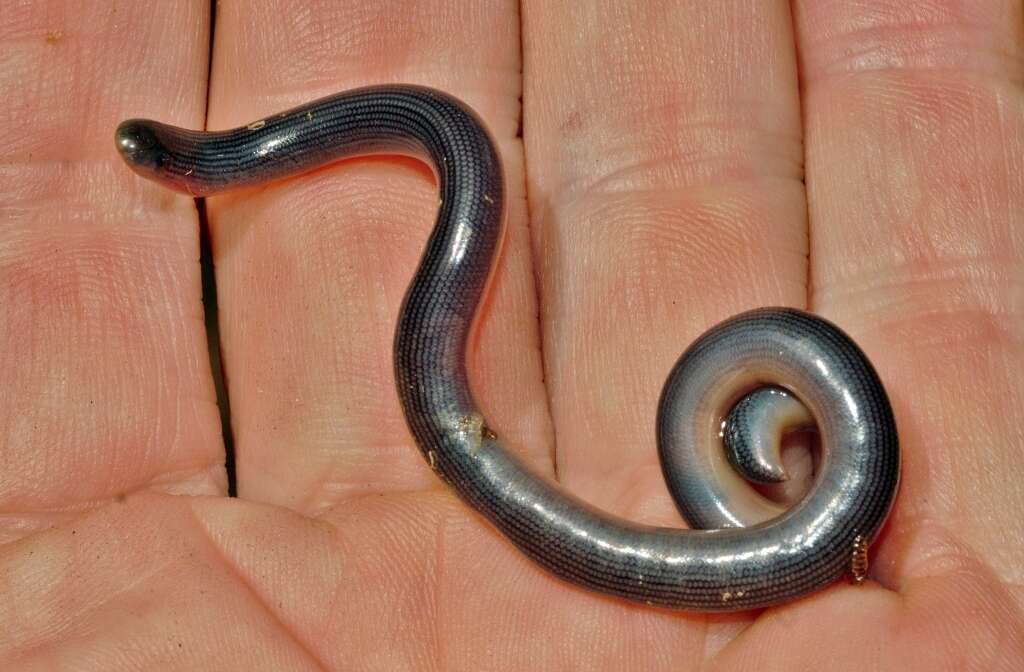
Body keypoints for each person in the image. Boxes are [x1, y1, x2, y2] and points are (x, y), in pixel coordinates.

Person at [2, 1, 1021, 669]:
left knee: (455, 151)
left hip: (785, 504)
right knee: (453, 152)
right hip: (772, 513)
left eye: (168, 162)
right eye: (174, 163)